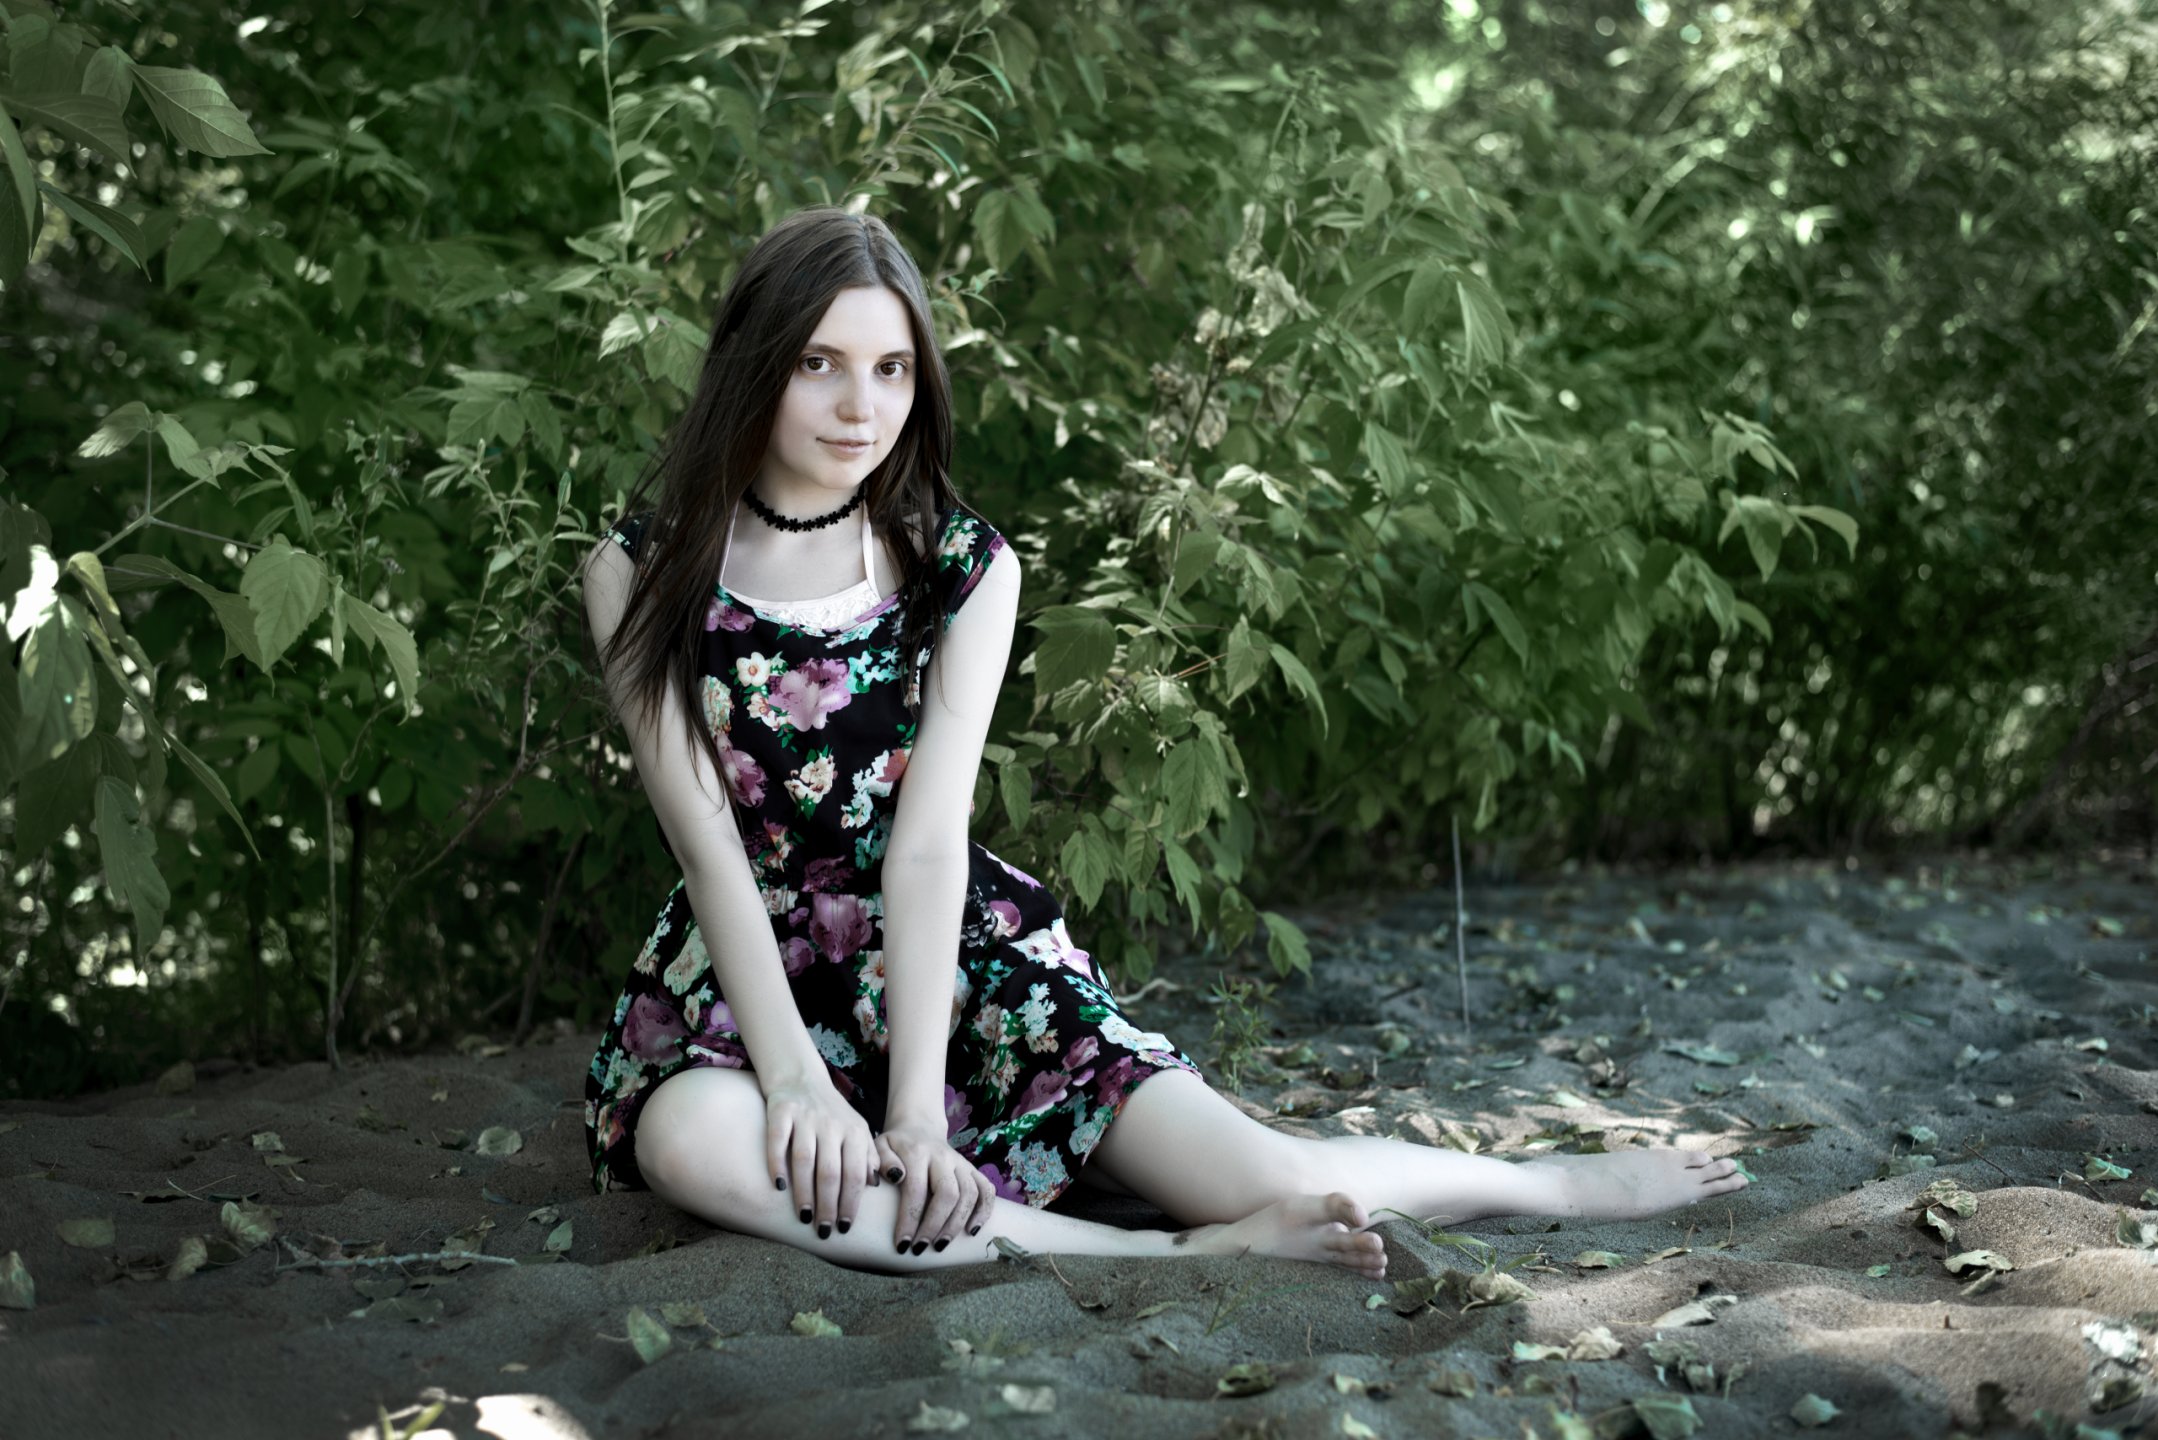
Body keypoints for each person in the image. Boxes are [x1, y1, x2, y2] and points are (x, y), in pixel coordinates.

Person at [579, 207, 1748, 1280]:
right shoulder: (641, 571)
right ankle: (1178, 1255)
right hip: (749, 989)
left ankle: (1546, 1185)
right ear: (754, 361)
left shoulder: (959, 566)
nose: (859, 408)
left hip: (951, 966)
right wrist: (795, 1083)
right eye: (818, 363)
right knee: (693, 1146)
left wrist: (917, 1116)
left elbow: (929, 847)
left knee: (1276, 1176)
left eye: (891, 369)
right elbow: (708, 846)